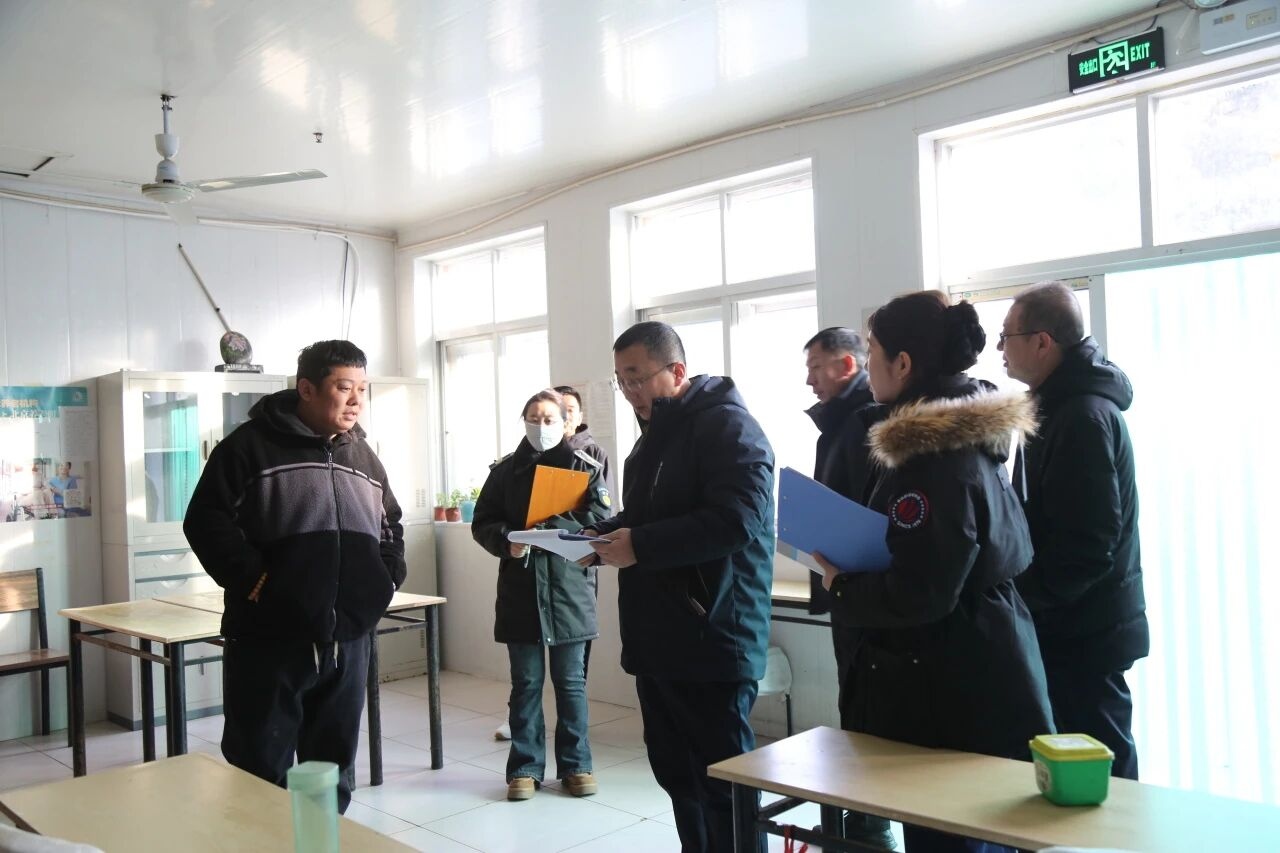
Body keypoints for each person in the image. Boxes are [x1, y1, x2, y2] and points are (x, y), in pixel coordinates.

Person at [817, 291, 1053, 853]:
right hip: (977, 660)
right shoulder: (965, 440)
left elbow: (921, 589)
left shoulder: (933, 460)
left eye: (872, 351)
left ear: (902, 363)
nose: (867, 365)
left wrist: (842, 586)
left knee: (951, 837)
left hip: (951, 682)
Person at [184, 340, 406, 814]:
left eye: (362, 389)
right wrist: (258, 584)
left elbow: (390, 525)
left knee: (331, 769)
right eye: (343, 387)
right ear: (306, 389)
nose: (356, 400)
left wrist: (384, 581)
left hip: (348, 641)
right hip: (270, 639)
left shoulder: (363, 456)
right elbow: (205, 522)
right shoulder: (247, 448)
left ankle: (321, 840)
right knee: (259, 769)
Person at [585, 321, 775, 853]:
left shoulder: (729, 428)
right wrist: (600, 536)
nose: (629, 391)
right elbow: (646, 517)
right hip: (659, 638)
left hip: (713, 636)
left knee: (723, 784)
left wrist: (640, 544)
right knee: (677, 774)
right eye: (621, 380)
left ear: (677, 371)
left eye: (637, 378)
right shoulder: (652, 440)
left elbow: (737, 521)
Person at [1000, 282, 1148, 780]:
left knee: (1103, 771)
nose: (1000, 348)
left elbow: (1088, 544)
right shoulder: (1057, 406)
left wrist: (1024, 598)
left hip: (1085, 630)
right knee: (1073, 771)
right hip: (1070, 622)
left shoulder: (1083, 415)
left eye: (1007, 336)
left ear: (1042, 342)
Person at [471, 388, 610, 802]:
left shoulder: (585, 466)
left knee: (571, 683)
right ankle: (525, 769)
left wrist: (555, 525)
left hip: (569, 592)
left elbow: (601, 517)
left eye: (550, 419)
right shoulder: (503, 472)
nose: (541, 426)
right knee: (526, 684)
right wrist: (506, 540)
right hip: (521, 591)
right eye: (534, 418)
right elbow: (483, 522)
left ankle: (576, 765)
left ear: (566, 422)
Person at [802, 328, 894, 850]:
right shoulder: (842, 422)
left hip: (863, 588)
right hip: (847, 586)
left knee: (868, 709)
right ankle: (863, 821)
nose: (809, 380)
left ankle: (870, 827)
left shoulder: (866, 423)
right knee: (855, 705)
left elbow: (866, 513)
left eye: (816, 367)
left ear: (848, 365)